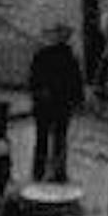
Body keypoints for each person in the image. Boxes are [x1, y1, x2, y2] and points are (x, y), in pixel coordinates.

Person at [26, 21, 84, 183]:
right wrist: (78, 101)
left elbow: (33, 81)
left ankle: (38, 172)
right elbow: (76, 82)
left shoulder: (41, 55)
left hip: (44, 106)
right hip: (61, 105)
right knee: (59, 139)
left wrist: (38, 96)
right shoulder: (69, 57)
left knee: (42, 139)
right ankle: (58, 173)